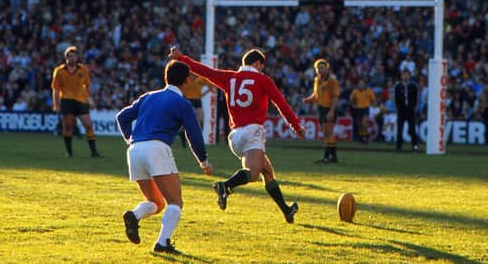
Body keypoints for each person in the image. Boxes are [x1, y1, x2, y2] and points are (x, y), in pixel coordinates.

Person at [169, 46, 305, 224]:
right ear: (257, 63)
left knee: (267, 171)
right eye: (261, 66)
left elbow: (204, 71)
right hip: (252, 132)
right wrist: (296, 125)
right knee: (254, 174)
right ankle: (225, 186)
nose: (261, 69)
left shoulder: (229, 78)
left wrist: (182, 58)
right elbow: (281, 103)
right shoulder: (263, 80)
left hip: (235, 137)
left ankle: (286, 210)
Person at [115, 60, 212, 254]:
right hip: (156, 149)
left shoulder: (148, 97)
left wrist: (130, 138)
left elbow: (122, 117)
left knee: (157, 203)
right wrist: (203, 160)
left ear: (166, 77)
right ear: (186, 81)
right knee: (175, 202)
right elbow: (193, 134)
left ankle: (134, 215)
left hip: (134, 150)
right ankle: (163, 243)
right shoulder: (182, 103)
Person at [51, 46, 102, 158]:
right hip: (66, 100)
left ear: (77, 57)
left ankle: (93, 151)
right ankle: (69, 152)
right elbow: (56, 89)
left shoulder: (83, 70)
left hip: (80, 100)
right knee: (68, 126)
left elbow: (87, 86)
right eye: (69, 56)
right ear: (66, 58)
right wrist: (56, 104)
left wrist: (91, 100)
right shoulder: (59, 71)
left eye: (73, 56)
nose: (71, 58)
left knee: (88, 125)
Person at [302, 59, 340, 163]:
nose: (319, 70)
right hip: (321, 109)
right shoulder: (317, 80)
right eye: (317, 68)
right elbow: (316, 95)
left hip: (329, 108)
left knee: (328, 133)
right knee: (326, 133)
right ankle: (333, 157)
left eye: (322, 68)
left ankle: (326, 156)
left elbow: (335, 97)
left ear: (327, 69)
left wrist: (331, 111)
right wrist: (308, 99)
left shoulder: (332, 81)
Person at [394, 68, 419, 152]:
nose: (405, 76)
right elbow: (396, 99)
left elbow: (416, 99)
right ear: (401, 76)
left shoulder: (413, 86)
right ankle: (398, 147)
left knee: (412, 129)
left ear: (410, 75)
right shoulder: (398, 86)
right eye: (404, 74)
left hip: (410, 110)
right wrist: (398, 108)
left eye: (407, 74)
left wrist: (413, 108)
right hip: (401, 110)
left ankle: (415, 147)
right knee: (399, 129)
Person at [350, 78, 376, 144]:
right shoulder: (355, 91)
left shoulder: (368, 91)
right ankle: (361, 137)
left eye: (362, 83)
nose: (361, 85)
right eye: (360, 83)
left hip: (365, 108)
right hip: (358, 108)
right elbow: (351, 99)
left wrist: (372, 105)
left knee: (364, 123)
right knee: (359, 124)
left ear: (365, 84)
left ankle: (366, 135)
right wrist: (354, 105)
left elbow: (373, 99)